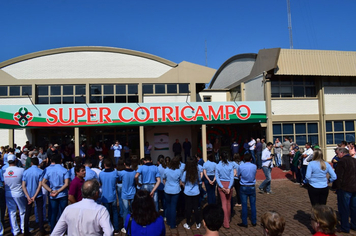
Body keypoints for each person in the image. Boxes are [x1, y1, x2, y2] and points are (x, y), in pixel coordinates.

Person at [42, 154, 69, 232]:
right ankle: (65, 230)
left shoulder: (48, 170)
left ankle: (53, 230)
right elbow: (66, 183)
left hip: (53, 194)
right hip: (62, 193)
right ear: (60, 160)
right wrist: (59, 191)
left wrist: (50, 190)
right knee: (64, 213)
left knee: (54, 213)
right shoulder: (64, 170)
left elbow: (43, 183)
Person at [333, 147, 356, 233]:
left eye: (338, 153)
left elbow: (338, 176)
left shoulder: (342, 162)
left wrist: (337, 187)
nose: (337, 155)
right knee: (354, 208)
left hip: (345, 187)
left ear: (342, 153)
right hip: (354, 187)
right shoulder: (354, 160)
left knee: (344, 208)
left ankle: (345, 227)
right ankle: (354, 225)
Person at [4, 153, 27, 236]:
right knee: (22, 211)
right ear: (16, 160)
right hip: (19, 193)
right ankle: (24, 228)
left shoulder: (4, 171)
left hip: (8, 193)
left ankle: (15, 230)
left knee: (12, 212)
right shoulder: (21, 170)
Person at [22, 158, 45, 236]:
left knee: (27, 212)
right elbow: (40, 185)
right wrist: (34, 196)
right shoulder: (40, 172)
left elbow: (23, 185)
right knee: (40, 211)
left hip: (28, 194)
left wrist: (28, 196)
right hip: (38, 195)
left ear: (31, 163)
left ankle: (26, 230)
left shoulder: (26, 172)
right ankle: (41, 229)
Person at [99, 158, 120, 234]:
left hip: (105, 196)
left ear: (104, 165)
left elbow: (100, 183)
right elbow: (118, 180)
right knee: (115, 212)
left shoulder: (101, 173)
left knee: (106, 214)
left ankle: (107, 229)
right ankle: (116, 228)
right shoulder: (115, 173)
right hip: (113, 195)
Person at [237, 153, 257, 228]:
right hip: (251, 186)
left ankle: (244, 222)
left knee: (244, 205)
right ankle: (254, 221)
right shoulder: (254, 166)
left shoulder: (241, 166)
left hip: (244, 186)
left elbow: (239, 175)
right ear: (251, 159)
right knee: (253, 205)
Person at [215, 151, 234, 229]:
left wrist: (222, 187)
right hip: (229, 183)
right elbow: (232, 177)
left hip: (222, 184)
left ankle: (225, 222)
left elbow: (217, 177)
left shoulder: (218, 166)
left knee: (223, 203)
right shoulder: (230, 165)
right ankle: (228, 219)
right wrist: (229, 187)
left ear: (220, 157)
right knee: (228, 203)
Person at [181, 157, 201, 229]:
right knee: (196, 208)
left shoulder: (185, 173)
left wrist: (185, 187)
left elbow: (182, 182)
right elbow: (199, 180)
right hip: (196, 191)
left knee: (188, 208)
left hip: (188, 192)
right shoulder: (197, 172)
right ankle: (198, 223)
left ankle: (188, 223)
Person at [162, 156, 181, 229]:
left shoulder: (166, 170)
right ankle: (173, 224)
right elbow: (180, 180)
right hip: (175, 190)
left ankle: (169, 221)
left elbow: (163, 179)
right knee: (173, 207)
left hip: (167, 189)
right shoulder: (179, 171)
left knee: (168, 206)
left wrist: (166, 184)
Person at [118, 158, 137, 231]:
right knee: (134, 209)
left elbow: (119, 180)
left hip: (125, 194)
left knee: (125, 210)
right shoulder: (134, 172)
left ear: (124, 164)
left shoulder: (122, 173)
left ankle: (125, 226)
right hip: (132, 192)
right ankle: (135, 224)